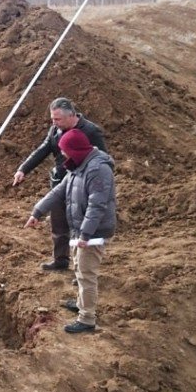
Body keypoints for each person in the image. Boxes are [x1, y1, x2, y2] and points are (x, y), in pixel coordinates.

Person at [24, 129, 116, 333]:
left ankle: (87, 318)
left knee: (86, 274)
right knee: (79, 267)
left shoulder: (98, 170)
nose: (63, 155)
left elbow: (97, 205)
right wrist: (37, 212)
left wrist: (85, 234)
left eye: (65, 151)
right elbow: (58, 192)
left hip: (93, 233)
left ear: (75, 150)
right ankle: (81, 302)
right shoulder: (78, 166)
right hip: (82, 228)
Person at [12, 97, 107, 271]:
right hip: (60, 182)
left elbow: (102, 160)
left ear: (71, 116)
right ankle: (61, 260)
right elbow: (43, 149)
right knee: (59, 223)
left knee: (81, 227)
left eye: (57, 119)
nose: (54, 123)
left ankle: (82, 269)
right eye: (52, 119)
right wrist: (23, 169)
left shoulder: (91, 131)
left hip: (82, 187)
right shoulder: (55, 130)